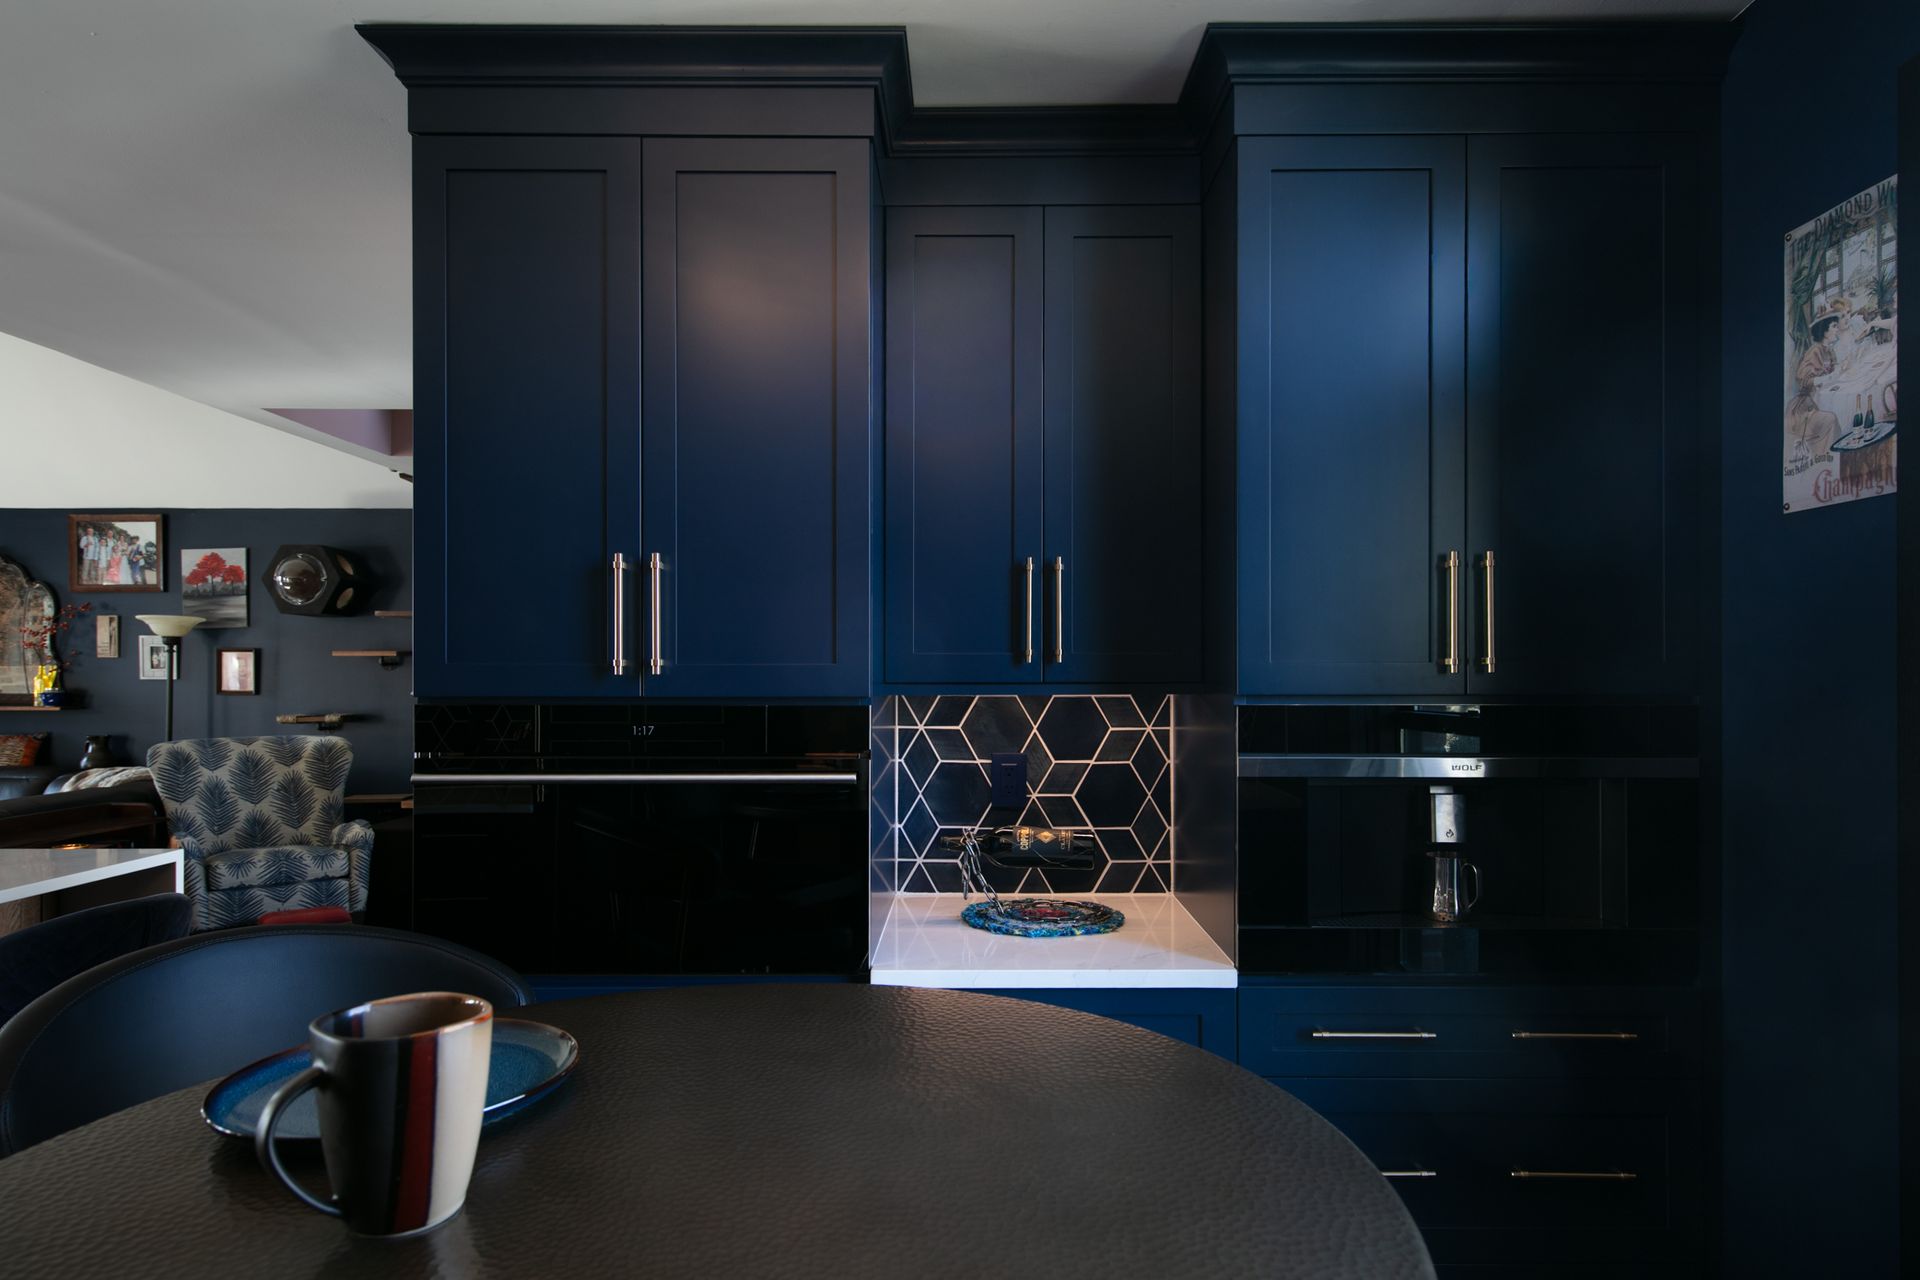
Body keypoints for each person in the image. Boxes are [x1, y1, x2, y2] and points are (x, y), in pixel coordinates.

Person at [1787, 305, 1845, 461]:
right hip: (1805, 405)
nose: (1837, 329)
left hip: (1823, 396)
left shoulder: (1829, 350)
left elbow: (1834, 373)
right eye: (1833, 326)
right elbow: (1803, 380)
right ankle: (1826, 458)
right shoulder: (1815, 351)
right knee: (1831, 418)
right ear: (1824, 330)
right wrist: (1829, 377)